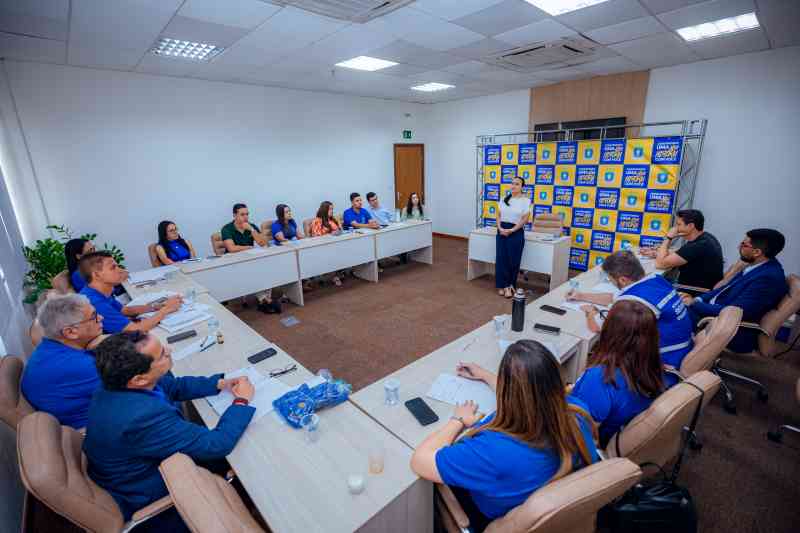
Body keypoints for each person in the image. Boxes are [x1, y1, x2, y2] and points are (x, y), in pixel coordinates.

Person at [410, 340, 598, 531]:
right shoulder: (577, 413)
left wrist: (457, 420)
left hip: (487, 514)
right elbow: (533, 394)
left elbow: (420, 461)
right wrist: (485, 375)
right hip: (544, 506)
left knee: (427, 487)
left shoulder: (494, 451)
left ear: (508, 393)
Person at [83, 332, 255, 530]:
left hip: (142, 465)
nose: (169, 350)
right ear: (139, 379)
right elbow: (216, 444)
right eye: (163, 354)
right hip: (151, 491)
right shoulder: (140, 417)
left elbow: (173, 386)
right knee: (250, 460)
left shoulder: (117, 383)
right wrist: (241, 401)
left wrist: (219, 384)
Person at [569, 250, 694, 370]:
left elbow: (597, 326)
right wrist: (582, 296)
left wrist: (590, 312)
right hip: (684, 347)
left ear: (622, 280)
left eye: (610, 279)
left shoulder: (633, 301)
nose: (611, 282)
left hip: (663, 362)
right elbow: (615, 297)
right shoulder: (656, 280)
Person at [570, 300, 666, 447]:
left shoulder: (601, 378)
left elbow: (576, 429)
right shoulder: (652, 366)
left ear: (610, 332)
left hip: (587, 444)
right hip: (619, 435)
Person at [683, 228, 788, 353]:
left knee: (669, 316)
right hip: (714, 311)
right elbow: (723, 289)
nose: (739, 246)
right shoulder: (758, 266)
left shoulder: (767, 278)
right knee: (670, 307)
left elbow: (734, 312)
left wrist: (695, 304)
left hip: (730, 328)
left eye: (744, 244)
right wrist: (698, 299)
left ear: (757, 252)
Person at [21, 294, 105, 429]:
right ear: (70, 332)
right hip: (95, 430)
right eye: (94, 317)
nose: (101, 318)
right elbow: (136, 389)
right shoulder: (81, 366)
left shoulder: (46, 349)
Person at [79, 251, 182, 333]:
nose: (120, 270)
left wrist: (156, 307)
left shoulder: (98, 291)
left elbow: (125, 310)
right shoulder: (94, 302)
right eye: (113, 267)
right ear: (96, 275)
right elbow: (134, 330)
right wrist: (166, 309)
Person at [640, 209, 723, 290]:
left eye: (679, 225)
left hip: (692, 291)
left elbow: (660, 264)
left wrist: (668, 237)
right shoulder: (707, 238)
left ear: (690, 226)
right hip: (700, 286)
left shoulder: (698, 246)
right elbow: (682, 253)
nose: (675, 228)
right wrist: (656, 253)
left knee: (649, 285)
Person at [220, 203, 281, 314]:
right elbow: (231, 248)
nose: (246, 217)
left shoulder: (250, 226)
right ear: (234, 215)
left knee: (266, 269)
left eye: (247, 214)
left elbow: (263, 243)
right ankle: (265, 300)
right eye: (242, 214)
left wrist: (252, 230)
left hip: (250, 260)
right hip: (233, 262)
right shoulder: (226, 229)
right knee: (254, 273)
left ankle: (265, 300)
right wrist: (249, 247)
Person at [495, 176, 531, 298]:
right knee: (501, 259)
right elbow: (498, 215)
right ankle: (502, 285)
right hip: (502, 231)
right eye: (512, 183)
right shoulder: (503, 199)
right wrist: (500, 228)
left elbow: (525, 219)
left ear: (522, 187)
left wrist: (512, 230)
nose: (513, 186)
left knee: (513, 261)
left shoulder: (525, 201)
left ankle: (510, 285)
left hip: (516, 231)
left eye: (517, 184)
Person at [309, 201, 343, 286]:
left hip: (335, 245)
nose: (332, 211)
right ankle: (333, 275)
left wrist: (338, 223)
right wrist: (330, 234)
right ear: (324, 210)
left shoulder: (331, 219)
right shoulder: (317, 221)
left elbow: (340, 231)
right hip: (323, 247)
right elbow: (316, 237)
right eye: (330, 209)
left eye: (332, 209)